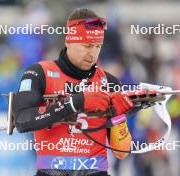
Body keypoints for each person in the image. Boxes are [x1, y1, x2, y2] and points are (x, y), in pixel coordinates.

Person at [13, 8, 135, 176]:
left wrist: (119, 118)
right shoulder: (39, 72)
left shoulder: (110, 82)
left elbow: (122, 152)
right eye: (87, 45)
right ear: (68, 41)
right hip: (52, 171)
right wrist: (75, 102)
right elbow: (22, 121)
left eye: (98, 46)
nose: (92, 53)